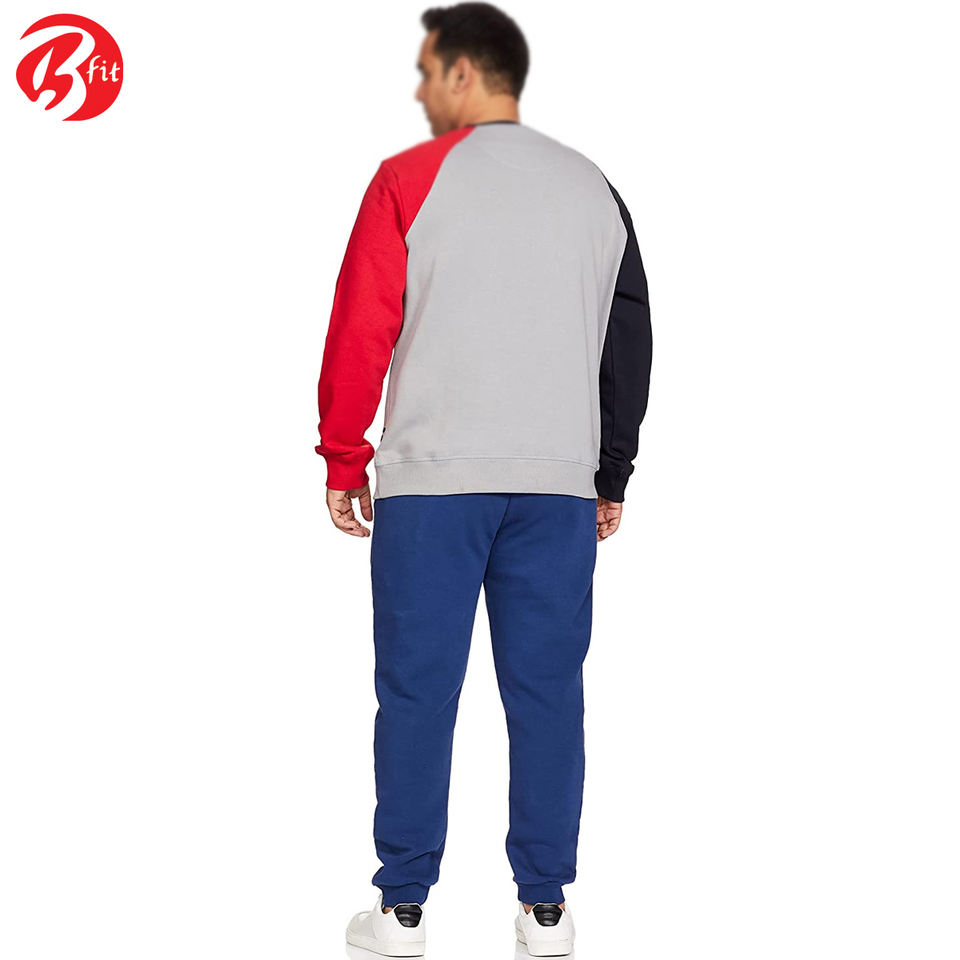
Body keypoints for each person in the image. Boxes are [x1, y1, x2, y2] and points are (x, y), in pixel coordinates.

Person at [315, 3, 652, 955]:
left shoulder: (408, 179)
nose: (421, 88)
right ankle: (545, 910)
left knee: (416, 693)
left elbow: (363, 323)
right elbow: (628, 337)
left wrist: (345, 453)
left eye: (428, 70)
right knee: (548, 694)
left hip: (433, 480)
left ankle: (401, 911)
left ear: (466, 71)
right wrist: (611, 469)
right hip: (555, 483)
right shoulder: (593, 187)